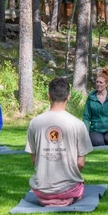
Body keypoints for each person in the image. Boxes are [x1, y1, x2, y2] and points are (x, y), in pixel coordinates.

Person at [26, 77, 94, 206]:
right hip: (69, 189)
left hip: (42, 189)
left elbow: (34, 160)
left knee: (44, 191)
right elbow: (80, 163)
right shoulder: (78, 124)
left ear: (48, 96)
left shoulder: (34, 123)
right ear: (68, 97)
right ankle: (65, 198)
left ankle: (47, 199)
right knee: (78, 187)